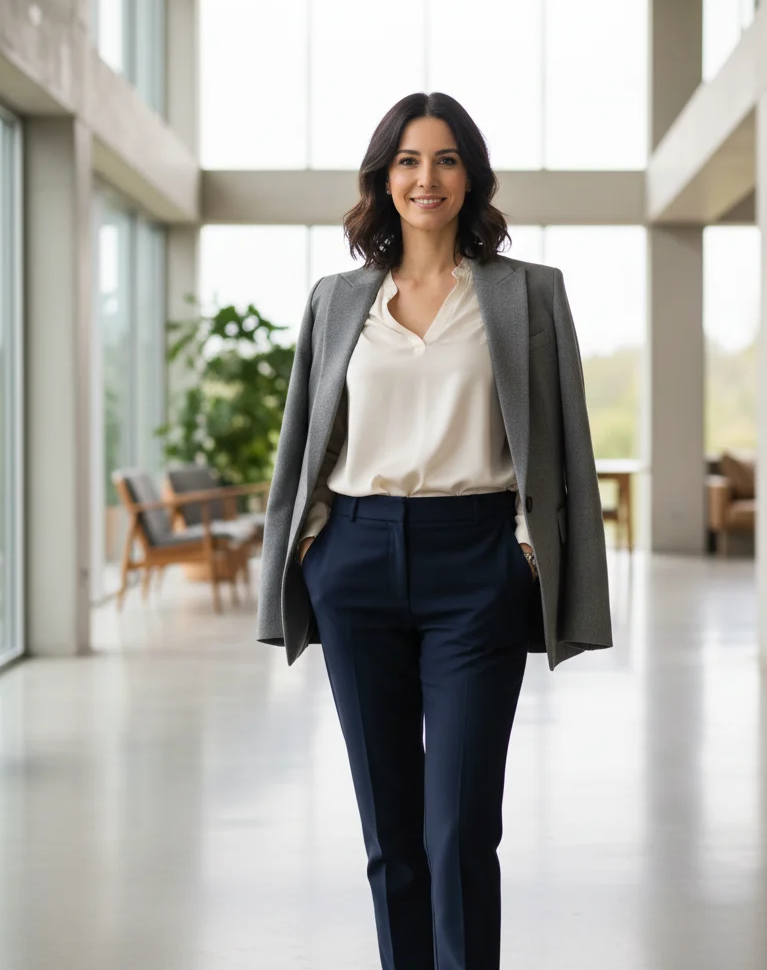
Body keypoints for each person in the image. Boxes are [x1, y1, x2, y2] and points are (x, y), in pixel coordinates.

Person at [256, 91, 612, 970]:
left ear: (471, 176)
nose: (428, 178)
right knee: (390, 831)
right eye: (409, 161)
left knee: (459, 829)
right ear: (384, 179)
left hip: (477, 563)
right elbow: (304, 437)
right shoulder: (338, 300)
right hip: (357, 563)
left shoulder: (529, 294)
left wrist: (532, 549)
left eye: (446, 159)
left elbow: (565, 443)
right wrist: (312, 549)